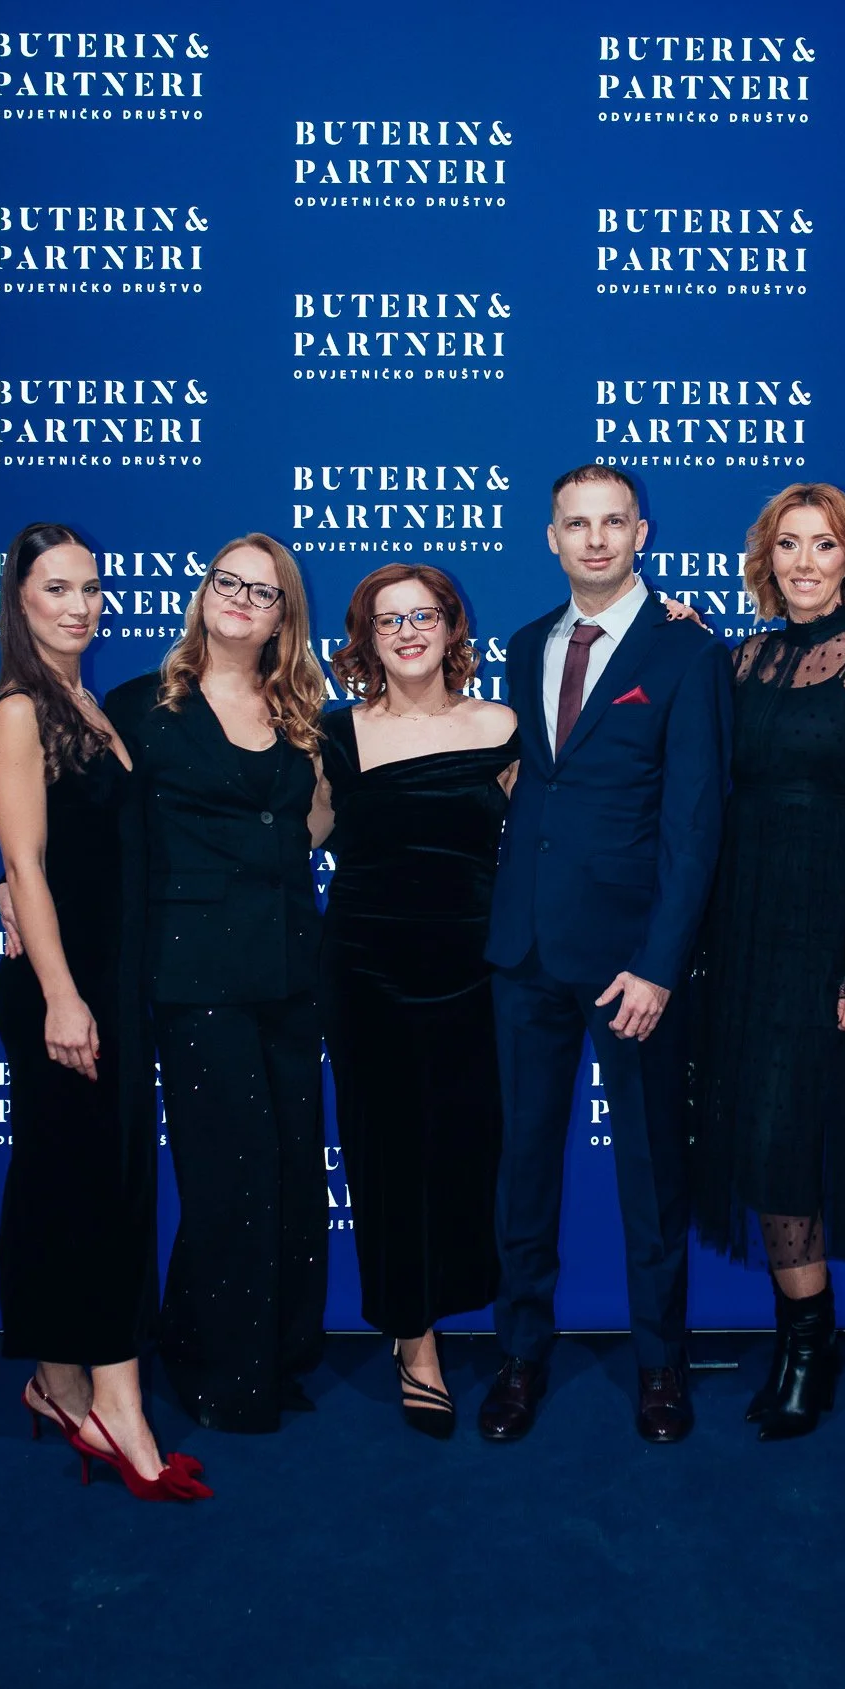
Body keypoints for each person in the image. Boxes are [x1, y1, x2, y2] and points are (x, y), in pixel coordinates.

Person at [479, 465, 733, 1445]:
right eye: (575, 524)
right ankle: (518, 1355)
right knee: (523, 1168)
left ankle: (661, 1367)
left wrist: (661, 962)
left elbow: (694, 824)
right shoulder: (523, 646)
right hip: (526, 953)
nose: (593, 539)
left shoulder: (685, 653)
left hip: (632, 964)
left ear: (642, 533)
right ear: (550, 537)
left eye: (611, 522)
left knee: (651, 1174)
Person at [691, 482, 845, 1441]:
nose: (801, 562)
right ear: (764, 561)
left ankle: (804, 1345)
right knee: (749, 1128)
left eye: (821, 546)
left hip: (823, 930)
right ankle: (809, 1336)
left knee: (788, 1134)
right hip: (738, 924)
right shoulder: (734, 661)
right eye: (785, 546)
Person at [0, 522, 209, 1502]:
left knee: (102, 1187)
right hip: (61, 992)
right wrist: (62, 995)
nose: (80, 605)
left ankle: (62, 1383)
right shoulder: (20, 710)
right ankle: (110, 1402)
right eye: (57, 587)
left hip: (111, 985)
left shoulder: (91, 703)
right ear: (20, 599)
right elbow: (26, 866)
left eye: (91, 587)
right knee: (72, 1188)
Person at [105, 535, 330, 1433]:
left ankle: (278, 1355)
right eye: (225, 582)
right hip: (194, 973)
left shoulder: (302, 713)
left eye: (262, 591)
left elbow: (314, 825)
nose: (239, 599)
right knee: (228, 1172)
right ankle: (216, 1369)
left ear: (284, 616)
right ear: (202, 596)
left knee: (287, 1169)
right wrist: (14, 877)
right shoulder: (142, 708)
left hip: (287, 967)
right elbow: (75, 806)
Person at [315, 565, 518, 1438]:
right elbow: (278, 841)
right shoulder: (333, 735)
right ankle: (415, 1338)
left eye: (420, 615)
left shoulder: (504, 726)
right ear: (363, 639)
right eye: (385, 619)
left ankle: (462, 1302)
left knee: (466, 1150)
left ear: (450, 626)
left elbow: (558, 835)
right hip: (365, 974)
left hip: (476, 973)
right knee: (386, 1155)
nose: (405, 631)